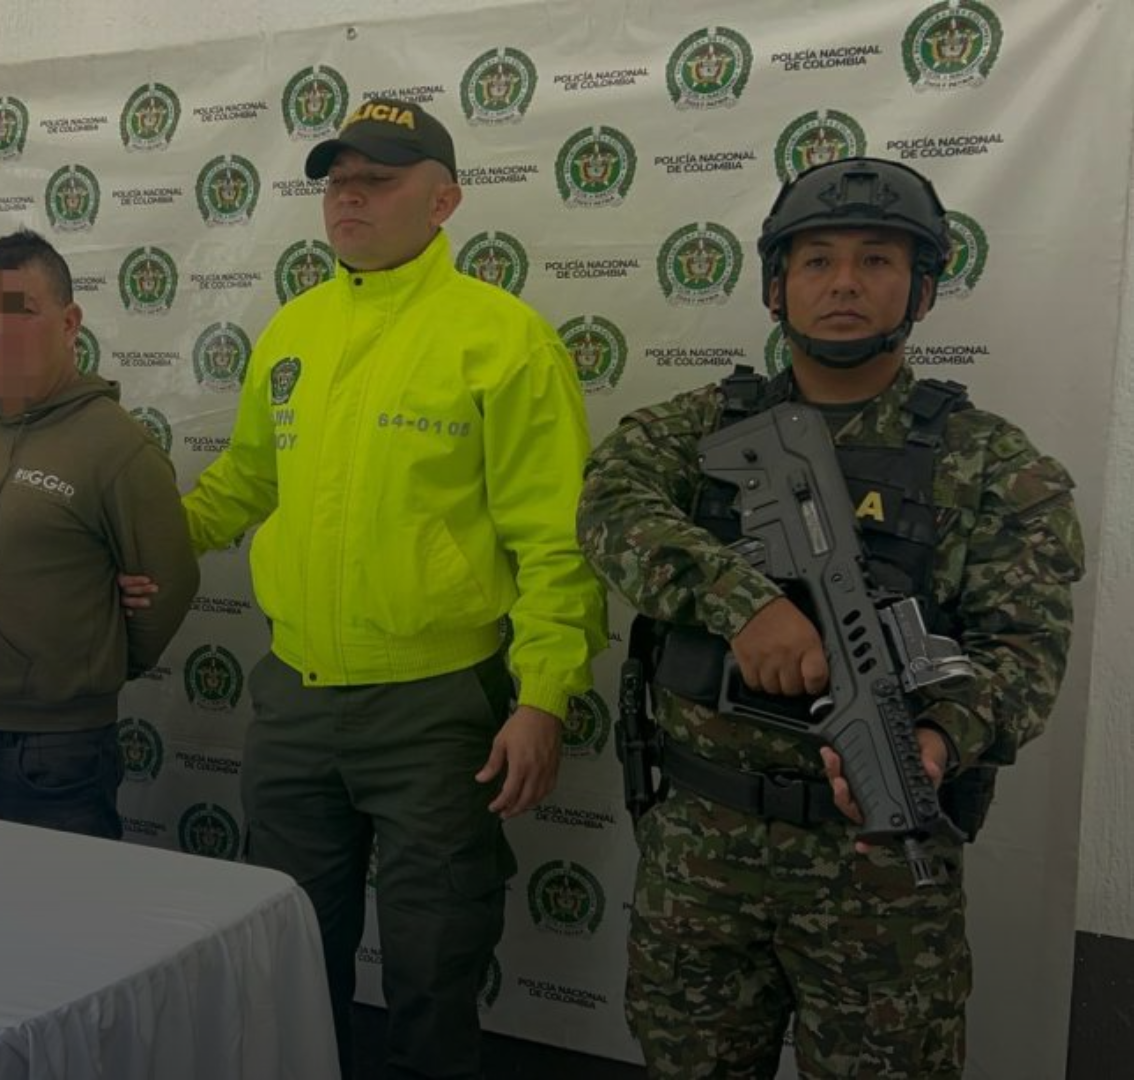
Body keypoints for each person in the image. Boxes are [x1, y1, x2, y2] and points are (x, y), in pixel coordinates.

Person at [578, 157, 1085, 1077]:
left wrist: (937, 739)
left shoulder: (995, 467)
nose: (844, 282)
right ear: (777, 287)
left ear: (920, 290)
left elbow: (1024, 652)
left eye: (877, 260)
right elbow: (608, 504)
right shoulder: (700, 429)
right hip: (701, 858)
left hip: (881, 875)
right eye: (817, 260)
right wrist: (745, 605)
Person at [167, 99, 608, 1079]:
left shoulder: (504, 340)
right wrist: (144, 540)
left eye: (379, 180)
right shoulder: (296, 329)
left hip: (436, 710)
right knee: (286, 957)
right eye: (338, 182)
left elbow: (555, 541)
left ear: (444, 201)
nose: (350, 198)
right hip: (294, 700)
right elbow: (246, 482)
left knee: (434, 967)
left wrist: (543, 695)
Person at [0, 229, 199, 839]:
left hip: (53, 752)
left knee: (58, 903)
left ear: (70, 324)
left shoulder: (115, 445)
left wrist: (87, 668)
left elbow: (167, 585)